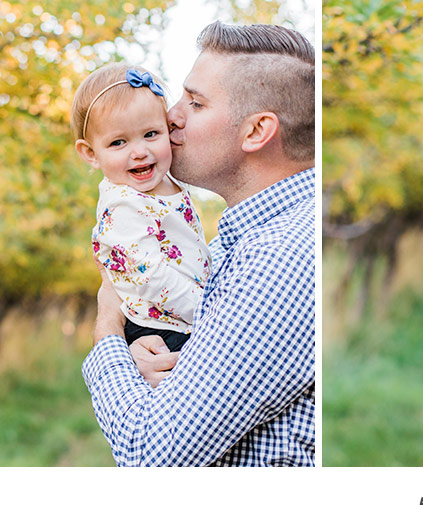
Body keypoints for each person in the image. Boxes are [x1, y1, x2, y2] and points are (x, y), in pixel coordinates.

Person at [82, 21, 316, 466]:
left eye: (195, 102)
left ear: (255, 132)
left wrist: (108, 331)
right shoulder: (241, 241)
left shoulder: (280, 259)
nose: (171, 115)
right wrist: (148, 359)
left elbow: (152, 455)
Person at [72, 63, 211, 352]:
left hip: (184, 313)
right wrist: (210, 312)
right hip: (160, 325)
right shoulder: (124, 205)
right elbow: (152, 278)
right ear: (90, 153)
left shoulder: (166, 180)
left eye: (151, 134)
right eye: (118, 142)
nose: (139, 152)